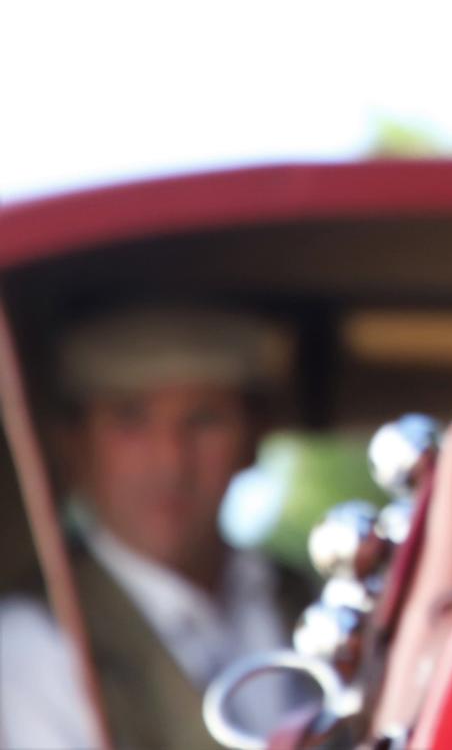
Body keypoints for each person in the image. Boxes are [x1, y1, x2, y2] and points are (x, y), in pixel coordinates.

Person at [0, 301, 311, 749]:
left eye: (204, 420)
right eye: (130, 420)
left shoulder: (299, 597)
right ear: (75, 445)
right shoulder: (38, 634)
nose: (171, 461)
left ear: (252, 440)